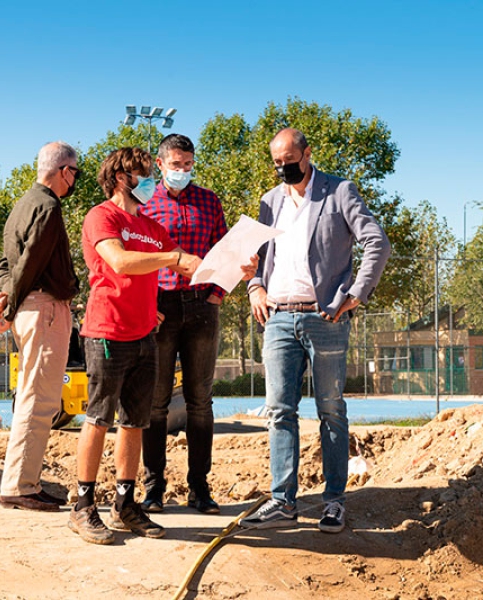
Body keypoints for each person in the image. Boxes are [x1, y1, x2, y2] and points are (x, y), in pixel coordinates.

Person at [242, 128, 391, 534]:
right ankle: (282, 501)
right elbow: (251, 256)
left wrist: (356, 293)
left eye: (289, 160)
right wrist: (255, 286)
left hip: (324, 319)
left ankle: (334, 502)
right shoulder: (269, 203)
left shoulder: (339, 191)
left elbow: (376, 241)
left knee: (330, 410)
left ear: (307, 154)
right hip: (277, 319)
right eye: (277, 163)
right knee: (279, 411)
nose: (283, 168)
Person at [68, 147, 201, 545]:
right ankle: (82, 505)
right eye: (144, 174)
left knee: (135, 422)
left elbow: (181, 265)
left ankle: (125, 504)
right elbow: (121, 262)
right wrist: (174, 257)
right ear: (122, 177)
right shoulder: (101, 217)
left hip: (145, 335)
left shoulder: (152, 227)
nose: (151, 182)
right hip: (107, 332)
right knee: (98, 418)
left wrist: (234, 266)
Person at [139, 134, 256, 514]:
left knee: (200, 401)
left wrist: (218, 294)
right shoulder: (145, 204)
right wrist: (145, 303)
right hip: (159, 307)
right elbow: (136, 257)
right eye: (176, 165)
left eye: (188, 165)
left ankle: (199, 488)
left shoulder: (208, 200)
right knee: (155, 402)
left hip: (202, 305)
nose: (183, 171)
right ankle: (153, 488)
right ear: (160, 165)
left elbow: (227, 250)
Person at [0, 141, 81, 512]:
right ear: (63, 171)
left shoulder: (21, 205)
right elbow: (28, 263)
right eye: (75, 172)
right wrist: (9, 305)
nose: (75, 179)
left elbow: (5, 263)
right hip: (43, 308)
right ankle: (20, 486)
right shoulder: (48, 206)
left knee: (32, 396)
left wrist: (6, 296)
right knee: (40, 401)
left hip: (30, 307)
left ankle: (22, 482)